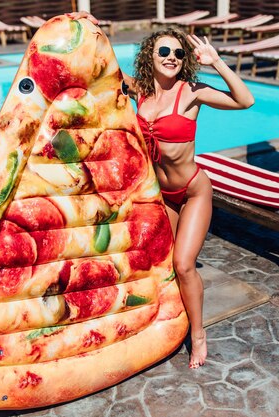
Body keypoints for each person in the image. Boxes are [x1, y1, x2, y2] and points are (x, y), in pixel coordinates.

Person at [71, 12, 254, 369]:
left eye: (178, 53)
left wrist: (217, 62)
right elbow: (102, 66)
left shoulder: (191, 93)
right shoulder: (140, 91)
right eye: (163, 51)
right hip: (160, 193)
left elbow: (245, 101)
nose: (171, 57)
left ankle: (198, 334)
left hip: (193, 190)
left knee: (185, 265)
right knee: (157, 264)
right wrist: (91, 28)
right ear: (149, 58)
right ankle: (163, 320)